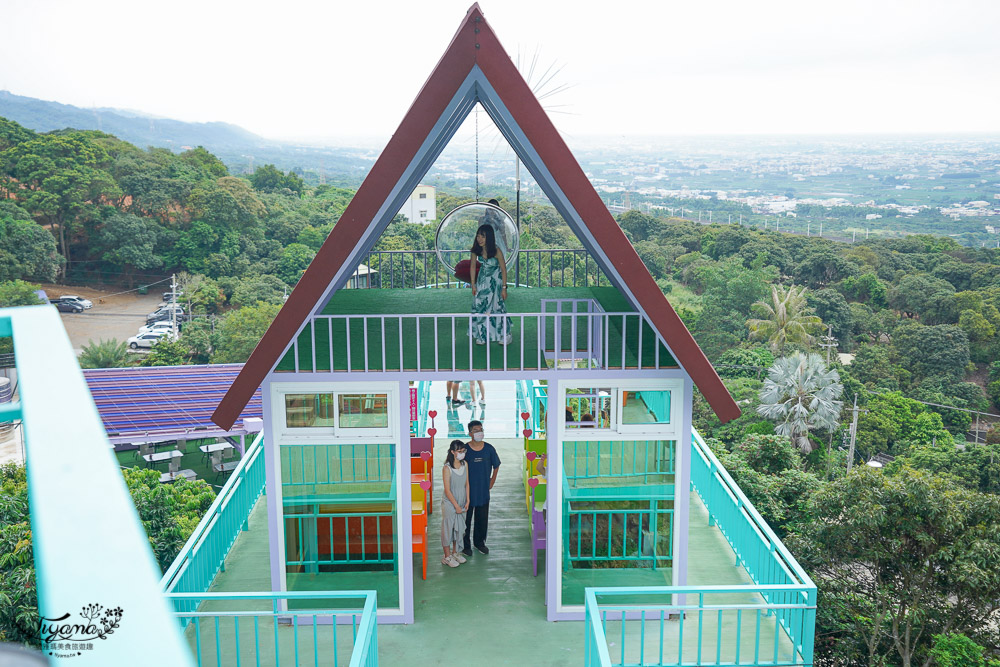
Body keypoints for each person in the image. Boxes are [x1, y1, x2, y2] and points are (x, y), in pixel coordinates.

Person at [462, 420, 500, 556]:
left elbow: (496, 465)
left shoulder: (489, 449)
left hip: (483, 491)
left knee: (482, 519)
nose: (479, 432)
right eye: (476, 430)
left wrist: (492, 481)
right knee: (465, 520)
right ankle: (465, 546)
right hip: (467, 492)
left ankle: (479, 543)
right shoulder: (464, 450)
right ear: (470, 433)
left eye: (481, 429)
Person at [469, 224, 512, 345]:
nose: (480, 239)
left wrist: (504, 288)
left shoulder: (496, 250)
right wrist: (473, 284)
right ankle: (482, 335)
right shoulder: (476, 250)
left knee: (497, 306)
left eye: (483, 236)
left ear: (489, 237)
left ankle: (506, 334)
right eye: (478, 236)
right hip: (482, 281)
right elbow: (472, 266)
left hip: (496, 281)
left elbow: (503, 269)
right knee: (481, 306)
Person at [440, 440, 469, 568]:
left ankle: (455, 552)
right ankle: (446, 557)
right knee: (448, 528)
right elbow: (447, 489)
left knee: (459, 527)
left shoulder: (465, 464)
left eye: (463, 451)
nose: (462, 454)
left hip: (462, 501)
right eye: (459, 451)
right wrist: (456, 505)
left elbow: (467, 483)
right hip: (450, 502)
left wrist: (468, 500)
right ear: (452, 452)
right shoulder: (447, 468)